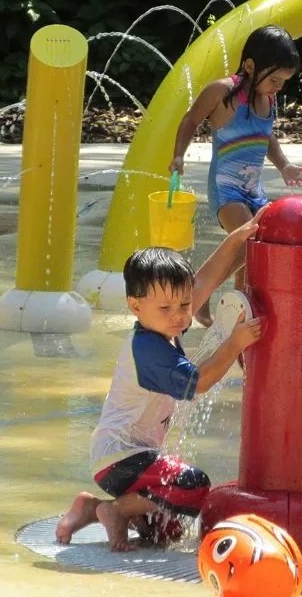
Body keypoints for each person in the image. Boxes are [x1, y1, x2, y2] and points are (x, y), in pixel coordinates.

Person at [54, 213, 265, 551]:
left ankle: (92, 508)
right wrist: (234, 343)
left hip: (132, 458)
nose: (180, 315)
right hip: (120, 458)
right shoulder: (150, 350)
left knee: (165, 532)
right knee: (193, 485)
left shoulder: (163, 324)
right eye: (166, 307)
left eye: (184, 304)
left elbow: (206, 279)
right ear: (135, 306)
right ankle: (115, 510)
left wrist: (234, 239)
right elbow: (199, 382)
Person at [170, 24, 302, 327]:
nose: (278, 87)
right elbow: (191, 120)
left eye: (283, 82)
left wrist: (283, 165)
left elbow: (266, 136)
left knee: (259, 250)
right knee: (249, 240)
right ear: (250, 66)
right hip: (226, 188)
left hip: (254, 190)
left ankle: (239, 310)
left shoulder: (267, 99)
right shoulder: (221, 92)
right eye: (274, 79)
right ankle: (200, 290)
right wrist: (179, 155)